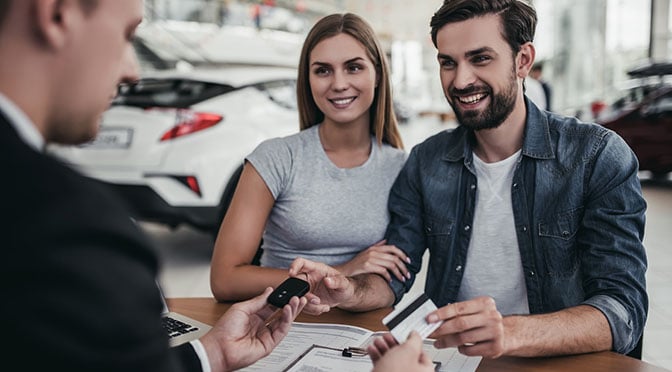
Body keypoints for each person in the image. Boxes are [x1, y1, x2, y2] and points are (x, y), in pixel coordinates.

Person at [289, 0, 648, 359]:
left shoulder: (596, 156)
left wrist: (509, 332)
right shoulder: (426, 161)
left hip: (561, 364)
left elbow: (624, 310)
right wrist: (349, 290)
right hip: (456, 360)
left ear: (522, 60)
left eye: (480, 58)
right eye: (448, 62)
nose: (460, 80)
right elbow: (394, 274)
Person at [1, 1, 306, 371]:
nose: (132, 72)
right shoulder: (67, 227)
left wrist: (212, 354)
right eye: (127, 34)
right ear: (56, 14)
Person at [210, 13, 409, 304]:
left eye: (353, 67)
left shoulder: (401, 168)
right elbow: (225, 279)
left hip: (359, 329)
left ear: (377, 74)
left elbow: (395, 276)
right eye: (323, 70)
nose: (339, 83)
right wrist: (336, 273)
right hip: (279, 323)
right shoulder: (277, 158)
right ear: (308, 80)